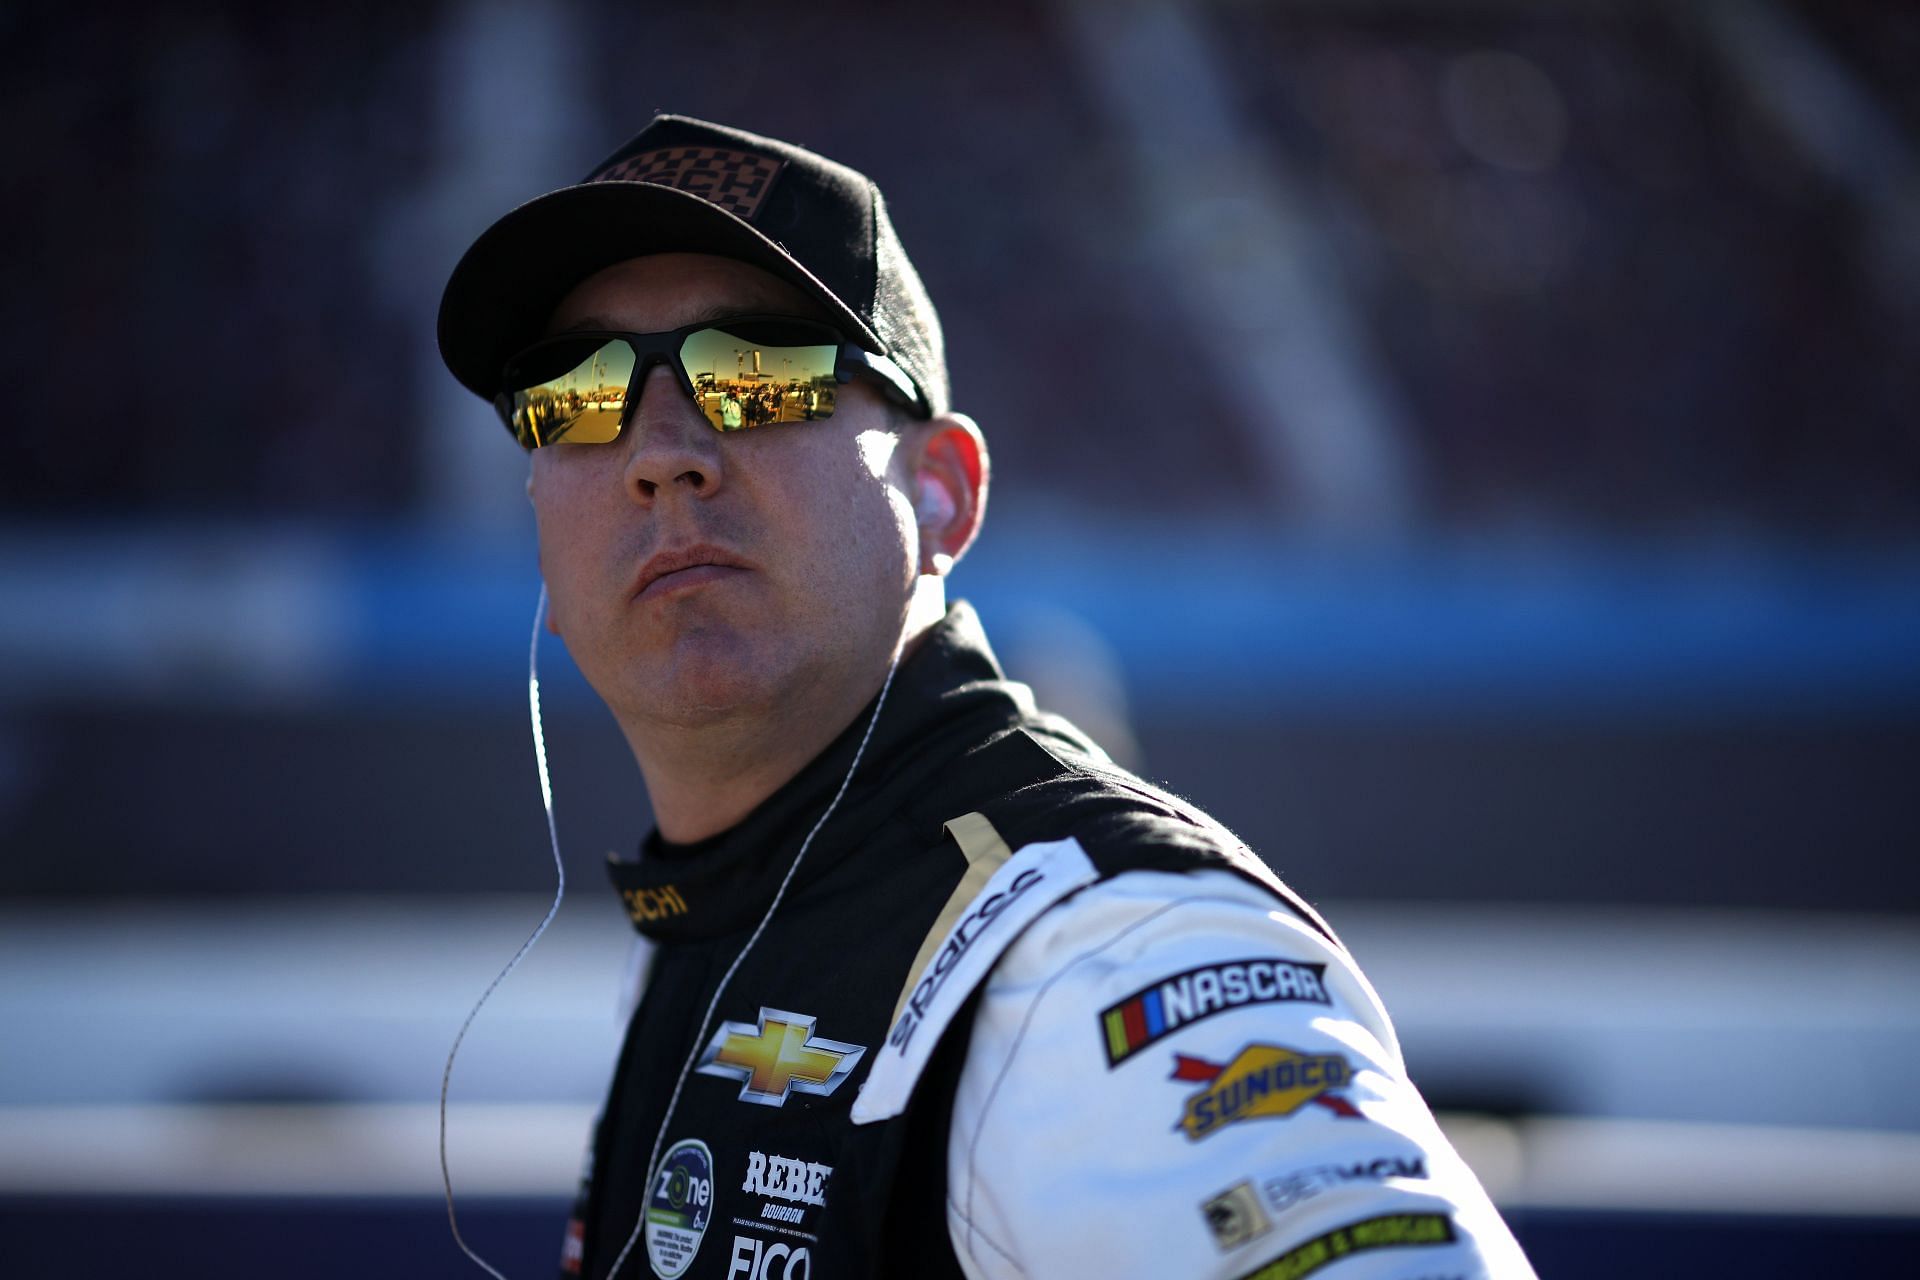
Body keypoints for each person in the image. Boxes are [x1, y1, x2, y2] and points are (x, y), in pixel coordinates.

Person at [437, 114, 1536, 1280]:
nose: (661, 448)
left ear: (945, 496)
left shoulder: (1107, 951)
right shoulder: (726, 913)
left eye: (754, 375)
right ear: (543, 551)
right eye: (576, 396)